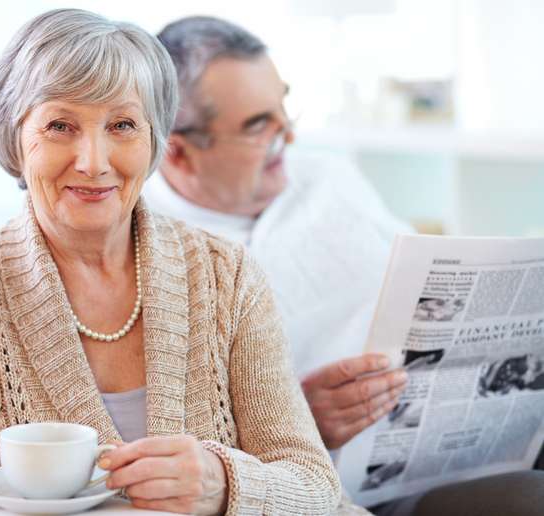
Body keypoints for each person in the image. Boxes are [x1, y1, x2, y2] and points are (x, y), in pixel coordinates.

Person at [0, 9, 346, 515]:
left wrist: (224, 485)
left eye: (122, 125)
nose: (93, 161)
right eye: (60, 126)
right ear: (15, 140)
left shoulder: (227, 277)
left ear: (154, 142)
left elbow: (316, 486)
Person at [145, 15, 544, 516]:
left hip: (459, 436)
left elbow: (426, 273)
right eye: (257, 126)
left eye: (284, 108)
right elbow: (173, 453)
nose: (287, 137)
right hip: (339, 487)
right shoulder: (152, 249)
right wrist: (296, 421)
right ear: (178, 153)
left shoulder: (328, 176)